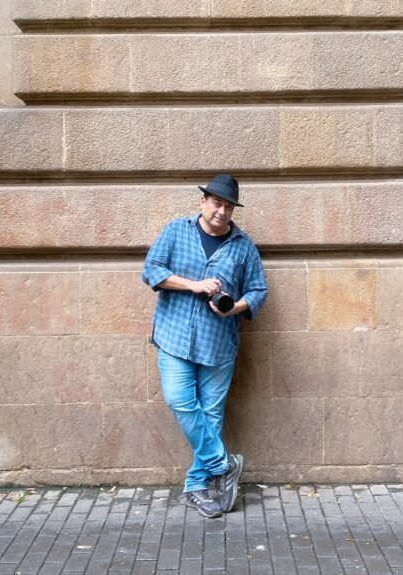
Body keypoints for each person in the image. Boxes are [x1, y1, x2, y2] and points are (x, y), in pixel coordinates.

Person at [141, 174, 268, 518]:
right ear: (203, 202)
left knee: (210, 417)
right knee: (179, 400)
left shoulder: (243, 246)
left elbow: (258, 291)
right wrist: (193, 285)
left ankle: (196, 488)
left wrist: (235, 308)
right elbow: (151, 270)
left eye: (228, 206)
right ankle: (224, 464)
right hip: (174, 337)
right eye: (216, 203)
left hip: (218, 343)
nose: (222, 211)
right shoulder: (175, 231)